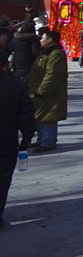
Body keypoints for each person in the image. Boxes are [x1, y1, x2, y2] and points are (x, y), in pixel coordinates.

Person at [0, 68, 36, 228]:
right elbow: (26, 114)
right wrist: (27, 136)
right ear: (4, 65)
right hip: (5, 139)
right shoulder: (16, 86)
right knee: (2, 178)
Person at [27, 30, 68, 153]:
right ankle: (41, 139)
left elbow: (53, 74)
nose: (40, 40)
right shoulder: (45, 53)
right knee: (41, 116)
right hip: (39, 91)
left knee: (48, 117)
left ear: (50, 40)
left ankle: (48, 142)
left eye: (42, 38)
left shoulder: (55, 54)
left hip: (49, 92)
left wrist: (42, 90)